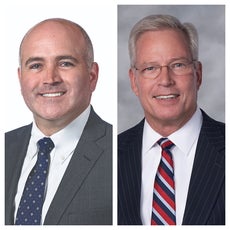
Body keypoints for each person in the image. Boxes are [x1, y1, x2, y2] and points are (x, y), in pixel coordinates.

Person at [118, 14, 225, 225]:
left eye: (178, 65)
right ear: (134, 81)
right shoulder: (111, 155)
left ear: (198, 74)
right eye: (150, 68)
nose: (165, 80)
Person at [5, 18, 112, 225]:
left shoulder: (119, 154)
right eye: (36, 65)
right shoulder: (5, 146)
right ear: (20, 78)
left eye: (65, 63)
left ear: (92, 76)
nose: (50, 78)